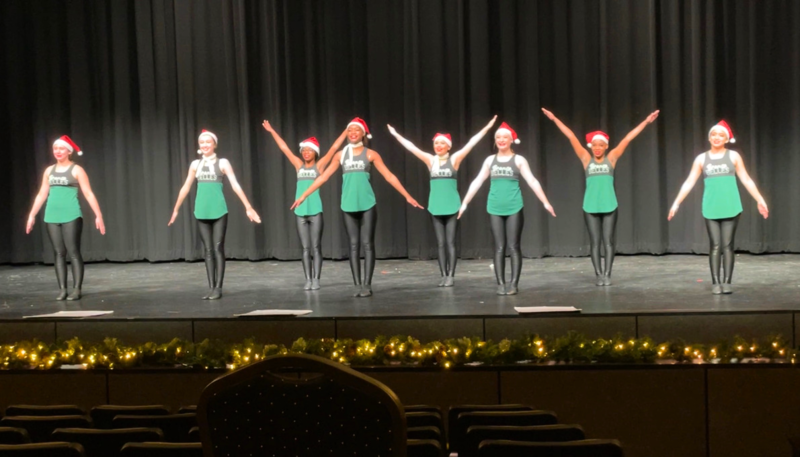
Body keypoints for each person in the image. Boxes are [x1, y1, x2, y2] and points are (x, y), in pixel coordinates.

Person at [291, 117, 424, 297]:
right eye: (350, 130)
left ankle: (367, 284)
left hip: (367, 204)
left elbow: (389, 176)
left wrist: (407, 196)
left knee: (367, 244)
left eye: (356, 130)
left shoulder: (371, 154)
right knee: (353, 246)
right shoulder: (340, 155)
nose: (353, 133)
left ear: (363, 133)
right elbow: (323, 177)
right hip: (348, 205)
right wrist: (304, 195)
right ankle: (356, 285)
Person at [541, 108, 660, 285]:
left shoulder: (611, 158)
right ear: (591, 146)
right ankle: (598, 274)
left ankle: (607, 274)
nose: (597, 148)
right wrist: (554, 118)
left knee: (608, 241)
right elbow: (571, 136)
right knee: (595, 243)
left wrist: (646, 121)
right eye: (594, 145)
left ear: (606, 146)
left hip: (609, 205)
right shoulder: (585, 159)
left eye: (601, 145)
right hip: (590, 206)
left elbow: (627, 138)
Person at [386, 115, 497, 286]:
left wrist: (488, 127)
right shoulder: (430, 160)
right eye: (436, 143)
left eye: (442, 143)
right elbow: (411, 147)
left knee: (450, 242)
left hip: (452, 206)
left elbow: (471, 143)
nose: (438, 146)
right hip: (435, 207)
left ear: (448, 146)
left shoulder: (455, 159)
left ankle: (451, 276)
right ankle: (443, 275)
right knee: (440, 243)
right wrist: (395, 134)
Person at [668, 121, 768, 294]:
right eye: (714, 134)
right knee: (715, 245)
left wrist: (760, 199)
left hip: (731, 205)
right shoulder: (701, 159)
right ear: (709, 137)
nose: (717, 137)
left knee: (727, 245)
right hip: (711, 207)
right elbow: (689, 182)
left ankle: (727, 282)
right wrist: (676, 203)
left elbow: (746, 179)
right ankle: (715, 282)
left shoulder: (734, 156)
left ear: (726, 139)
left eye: (721, 135)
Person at [458, 122, 557, 295]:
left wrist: (545, 202)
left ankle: (513, 284)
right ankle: (500, 284)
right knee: (499, 247)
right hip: (494, 208)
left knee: (513, 246)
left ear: (511, 140)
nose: (501, 140)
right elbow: (478, 181)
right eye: (498, 137)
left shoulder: (519, 160)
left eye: (505, 137)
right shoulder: (490, 161)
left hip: (514, 207)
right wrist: (465, 203)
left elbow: (532, 181)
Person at [169, 130, 261, 300]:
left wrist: (248, 207)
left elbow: (235, 185)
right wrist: (176, 209)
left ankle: (218, 287)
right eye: (202, 142)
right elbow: (186, 187)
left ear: (214, 144)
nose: (205, 145)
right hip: (201, 211)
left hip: (219, 211)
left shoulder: (223, 163)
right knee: (208, 250)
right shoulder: (195, 165)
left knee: (218, 248)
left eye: (208, 142)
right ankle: (211, 287)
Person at [262, 121, 346, 290]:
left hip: (315, 211)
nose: (306, 152)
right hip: (300, 212)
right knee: (305, 248)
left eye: (310, 150)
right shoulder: (298, 165)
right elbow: (284, 148)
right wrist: (271, 131)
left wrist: (346, 129)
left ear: (315, 152)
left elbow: (334, 148)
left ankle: (316, 279)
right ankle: (308, 279)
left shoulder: (319, 165)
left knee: (316, 246)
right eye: (304, 150)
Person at [26, 135, 106, 300]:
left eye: (61, 148)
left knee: (73, 251)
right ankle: (63, 289)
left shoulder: (77, 170)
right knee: (58, 253)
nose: (58, 151)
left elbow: (88, 193)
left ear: (69, 151)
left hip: (71, 215)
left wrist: (98, 215)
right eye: (55, 148)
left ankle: (77, 289)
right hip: (51, 216)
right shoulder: (49, 171)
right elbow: (42, 194)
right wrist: (31, 215)